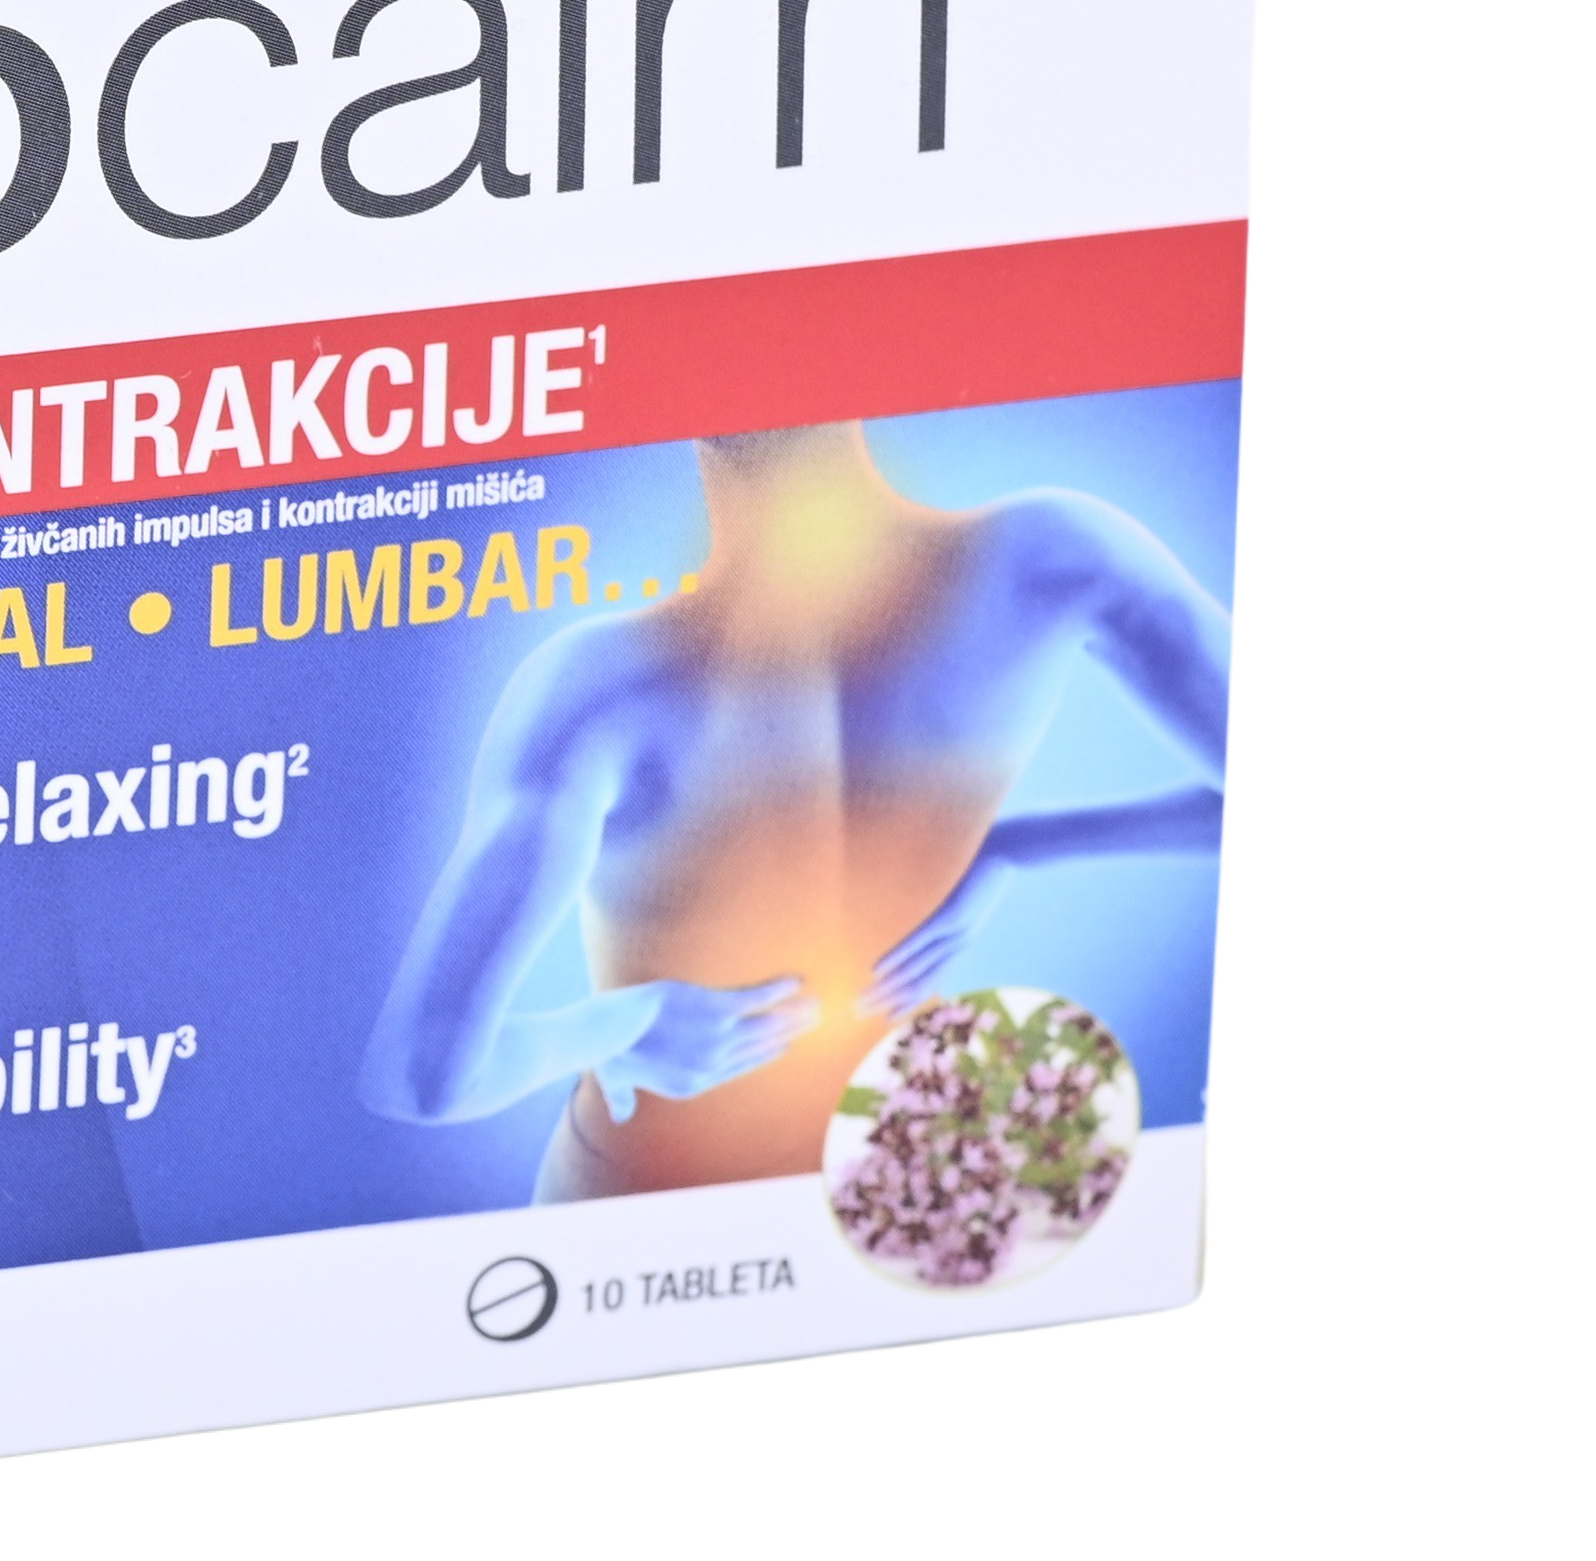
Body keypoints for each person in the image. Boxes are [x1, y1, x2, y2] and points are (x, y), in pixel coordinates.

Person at [359, 419, 1231, 1199]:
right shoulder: (1053, 561)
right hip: (889, 1188)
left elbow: (425, 1077)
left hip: (642, 1208)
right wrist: (1021, 845)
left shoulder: (605, 688)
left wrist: (616, 1023)